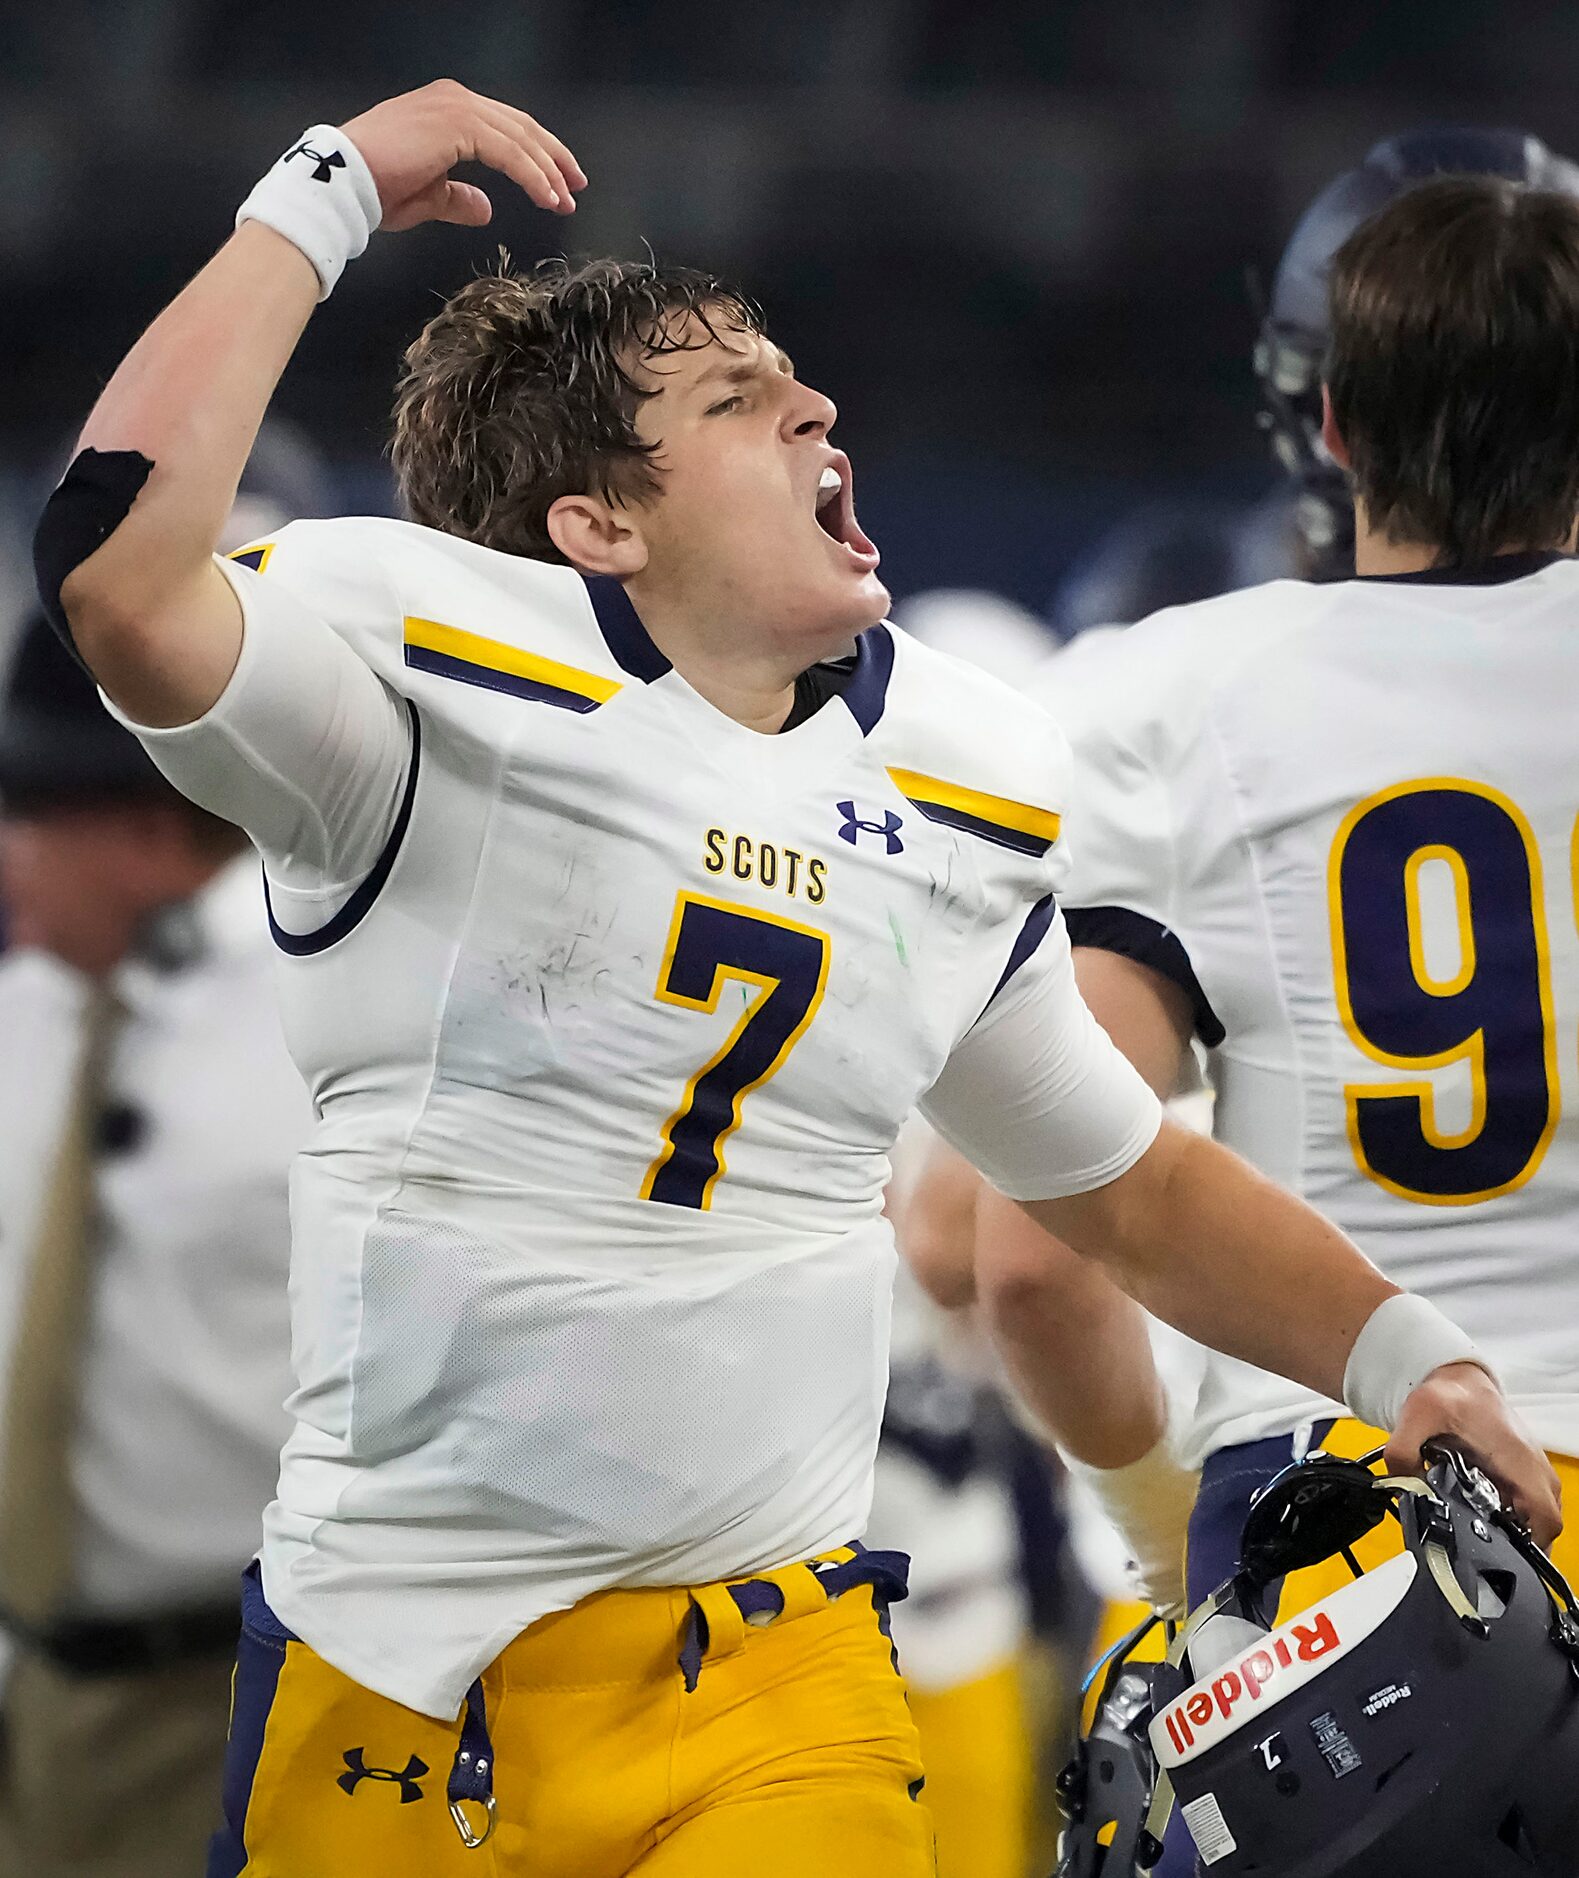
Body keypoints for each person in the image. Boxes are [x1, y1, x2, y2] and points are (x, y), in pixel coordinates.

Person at [36, 83, 1554, 1878]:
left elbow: (1122, 1184)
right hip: (401, 1661)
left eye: (795, 377)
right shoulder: (412, 701)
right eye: (736, 400)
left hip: (776, 1672)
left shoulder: (941, 778)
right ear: (595, 523)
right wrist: (324, 193)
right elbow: (121, 568)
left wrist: (1408, 1356)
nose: (815, 407)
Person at [972, 172, 1579, 1871]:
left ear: (1324, 417)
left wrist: (1158, 1543)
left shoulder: (1164, 692)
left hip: (1356, 1538)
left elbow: (1033, 1249)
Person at [0, 613, 309, 1876]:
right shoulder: (28, 1013)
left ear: (140, 832)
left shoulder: (326, 1033)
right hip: (43, 1706)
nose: (6, 859)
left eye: (27, 817)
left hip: (250, 1702)